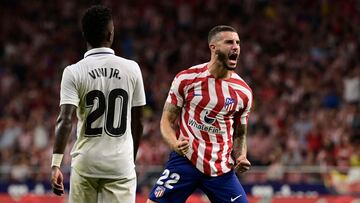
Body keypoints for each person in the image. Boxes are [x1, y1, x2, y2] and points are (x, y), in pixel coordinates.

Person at [50, 5, 146, 203]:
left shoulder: (73, 71)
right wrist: (130, 159)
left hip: (86, 163)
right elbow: (138, 123)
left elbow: (65, 120)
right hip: (120, 165)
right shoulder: (132, 69)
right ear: (111, 34)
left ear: (84, 35)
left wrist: (55, 164)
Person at [147, 25, 253, 203]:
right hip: (185, 161)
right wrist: (174, 143)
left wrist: (241, 155)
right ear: (213, 47)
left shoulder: (243, 92)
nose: (235, 47)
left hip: (221, 169)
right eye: (229, 42)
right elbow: (166, 120)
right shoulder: (186, 79)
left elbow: (240, 133)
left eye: (238, 43)